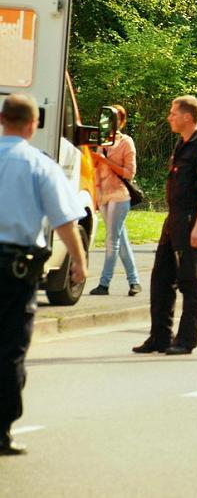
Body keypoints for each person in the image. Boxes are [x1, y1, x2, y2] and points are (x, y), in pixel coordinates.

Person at [0, 94, 88, 455]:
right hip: (15, 272)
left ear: (2, 119)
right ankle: (1, 430)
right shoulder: (40, 166)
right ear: (33, 124)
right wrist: (80, 263)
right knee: (9, 350)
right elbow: (65, 220)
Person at [133, 96, 197, 356]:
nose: (169, 117)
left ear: (188, 117)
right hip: (174, 221)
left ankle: (186, 339)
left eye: (173, 113)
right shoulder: (182, 144)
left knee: (189, 281)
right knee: (161, 280)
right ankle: (160, 337)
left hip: (192, 220)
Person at [89, 104, 141, 296]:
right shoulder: (101, 141)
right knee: (120, 238)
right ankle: (134, 281)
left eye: (116, 118)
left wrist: (104, 160)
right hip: (103, 195)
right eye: (110, 118)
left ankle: (104, 284)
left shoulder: (126, 142)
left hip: (119, 195)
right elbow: (95, 169)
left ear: (122, 121)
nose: (113, 122)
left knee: (112, 240)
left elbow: (129, 173)